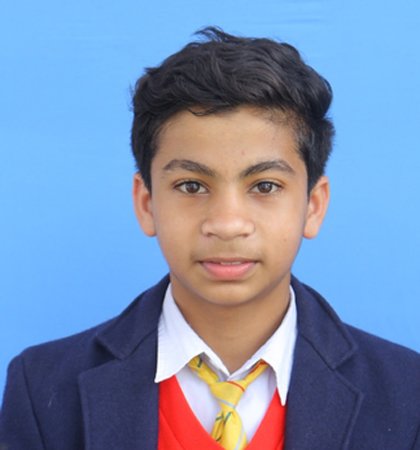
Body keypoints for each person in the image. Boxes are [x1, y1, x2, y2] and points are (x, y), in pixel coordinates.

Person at [0, 27, 419, 450]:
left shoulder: (407, 392)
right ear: (146, 203)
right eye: (192, 186)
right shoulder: (42, 387)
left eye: (265, 186)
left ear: (313, 205)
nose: (227, 223)